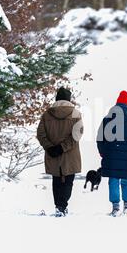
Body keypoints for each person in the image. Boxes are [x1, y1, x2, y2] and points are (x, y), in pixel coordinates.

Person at [37, 87, 83, 217]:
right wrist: (63, 147)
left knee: (56, 180)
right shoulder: (75, 113)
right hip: (70, 154)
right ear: (69, 99)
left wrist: (50, 147)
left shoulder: (47, 114)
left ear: (56, 99)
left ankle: (59, 206)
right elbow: (77, 135)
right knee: (68, 180)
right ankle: (62, 206)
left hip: (52, 154)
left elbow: (40, 134)